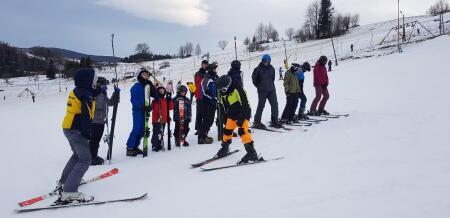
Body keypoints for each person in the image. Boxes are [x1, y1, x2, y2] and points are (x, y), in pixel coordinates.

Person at [57, 68, 97, 204]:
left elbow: (88, 97)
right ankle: (69, 192)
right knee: (85, 159)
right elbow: (86, 114)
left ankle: (64, 182)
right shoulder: (85, 95)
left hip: (68, 127)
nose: (95, 81)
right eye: (94, 79)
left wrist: (98, 91)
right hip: (76, 130)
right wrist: (88, 133)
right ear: (87, 80)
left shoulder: (80, 91)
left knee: (77, 155)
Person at [215, 75, 261, 163]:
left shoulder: (238, 89)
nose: (221, 91)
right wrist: (225, 118)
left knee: (242, 131)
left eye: (223, 89)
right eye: (220, 89)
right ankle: (225, 148)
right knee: (227, 131)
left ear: (228, 85)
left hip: (243, 113)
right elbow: (222, 107)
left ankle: (252, 153)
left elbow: (246, 105)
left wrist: (242, 118)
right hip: (232, 115)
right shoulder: (222, 93)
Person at [126, 70, 158, 157]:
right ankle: (130, 147)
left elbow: (156, 95)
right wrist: (141, 106)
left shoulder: (148, 86)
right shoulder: (136, 87)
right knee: (137, 128)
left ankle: (135, 146)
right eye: (143, 74)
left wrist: (152, 86)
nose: (145, 76)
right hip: (138, 110)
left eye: (147, 75)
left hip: (146, 110)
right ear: (140, 76)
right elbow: (133, 100)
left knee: (142, 130)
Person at [89, 77, 120, 165]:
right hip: (94, 121)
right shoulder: (94, 93)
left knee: (96, 140)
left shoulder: (102, 93)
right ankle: (92, 158)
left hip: (101, 121)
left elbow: (110, 103)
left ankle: (93, 155)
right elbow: (98, 105)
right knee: (94, 140)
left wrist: (115, 94)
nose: (106, 86)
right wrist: (102, 93)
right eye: (104, 85)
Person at [251, 54, 282, 129]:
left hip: (271, 90)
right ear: (262, 61)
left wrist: (271, 85)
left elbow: (273, 78)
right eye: (265, 61)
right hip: (262, 91)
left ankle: (275, 121)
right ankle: (257, 122)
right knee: (261, 106)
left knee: (275, 105)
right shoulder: (257, 69)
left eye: (268, 61)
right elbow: (254, 79)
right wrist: (259, 86)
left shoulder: (271, 68)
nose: (266, 62)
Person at [199, 62, 219, 144]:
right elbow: (204, 91)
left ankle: (204, 135)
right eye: (214, 68)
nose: (215, 70)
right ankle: (202, 137)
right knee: (207, 120)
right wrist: (213, 97)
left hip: (212, 102)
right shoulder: (206, 79)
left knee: (210, 120)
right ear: (210, 70)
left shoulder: (214, 78)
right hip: (207, 102)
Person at [151, 86, 174, 151]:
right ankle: (154, 145)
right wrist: (155, 101)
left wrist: (170, 100)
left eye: (162, 90)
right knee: (156, 132)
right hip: (157, 119)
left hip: (164, 119)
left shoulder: (165, 100)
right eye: (160, 90)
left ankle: (159, 144)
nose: (161, 91)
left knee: (161, 132)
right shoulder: (155, 100)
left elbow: (171, 108)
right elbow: (153, 108)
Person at [194, 60, 208, 136]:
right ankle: (199, 129)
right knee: (199, 113)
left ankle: (205, 129)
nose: (205, 65)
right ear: (201, 65)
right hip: (199, 96)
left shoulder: (208, 73)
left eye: (206, 64)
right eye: (204, 64)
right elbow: (196, 84)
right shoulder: (197, 73)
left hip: (206, 97)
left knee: (206, 113)